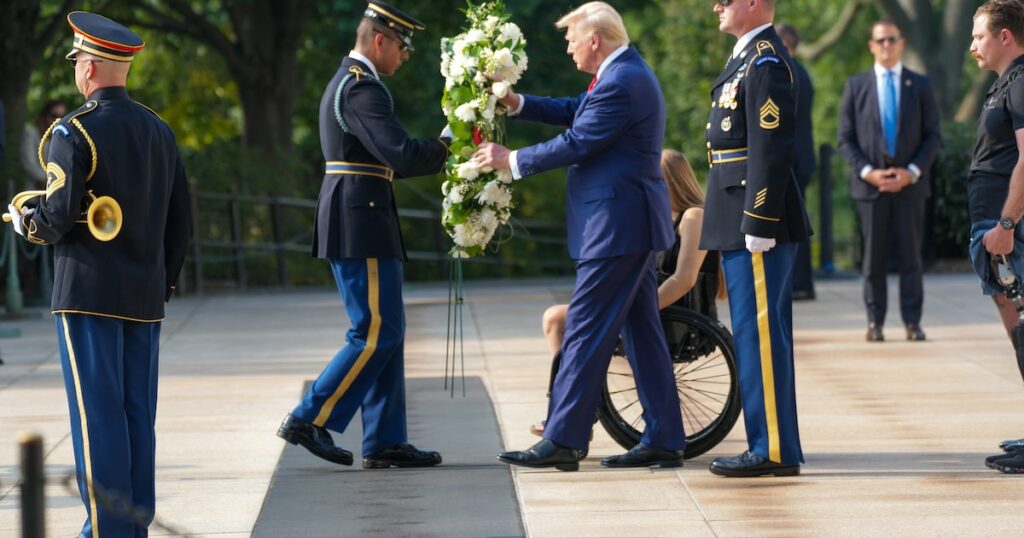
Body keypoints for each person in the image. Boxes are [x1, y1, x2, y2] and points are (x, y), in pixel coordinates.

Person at [475, 1, 685, 471]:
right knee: (642, 335)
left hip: (617, 228)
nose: (568, 48)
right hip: (626, 224)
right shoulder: (621, 74)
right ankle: (665, 438)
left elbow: (579, 140)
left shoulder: (624, 80)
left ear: (594, 40)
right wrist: (518, 104)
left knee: (585, 332)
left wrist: (511, 160)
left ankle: (565, 438)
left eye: (571, 39)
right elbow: (578, 112)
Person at [5, 11, 191, 535]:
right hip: (145, 296)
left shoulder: (73, 131)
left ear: (87, 69)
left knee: (97, 419)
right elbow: (181, 220)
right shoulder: (160, 130)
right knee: (137, 418)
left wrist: (27, 223)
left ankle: (108, 530)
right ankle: (132, 524)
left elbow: (59, 216)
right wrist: (164, 282)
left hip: (87, 293)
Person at [276, 0, 449, 470]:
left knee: (387, 330)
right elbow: (403, 155)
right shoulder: (361, 90)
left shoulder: (356, 85)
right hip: (360, 219)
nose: (405, 55)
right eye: (402, 46)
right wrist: (449, 145)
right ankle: (310, 417)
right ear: (380, 40)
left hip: (364, 215)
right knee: (374, 330)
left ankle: (386, 439)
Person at [530, 149, 717, 437]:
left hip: (672, 315)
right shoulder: (657, 216)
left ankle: (573, 410)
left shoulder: (694, 217)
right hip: (637, 304)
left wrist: (634, 314)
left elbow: (684, 279)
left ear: (671, 181)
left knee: (566, 323)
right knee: (556, 319)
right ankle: (571, 406)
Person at [700, 0, 810, 477]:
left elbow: (772, 146)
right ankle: (771, 443)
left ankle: (771, 450)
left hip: (754, 218)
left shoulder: (764, 59)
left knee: (760, 338)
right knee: (756, 336)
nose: (716, 6)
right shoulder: (746, 57)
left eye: (726, 0)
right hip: (737, 213)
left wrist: (760, 221)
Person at [837, 19, 941, 343]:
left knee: (912, 257)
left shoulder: (920, 85)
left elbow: (933, 136)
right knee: (873, 260)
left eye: (891, 40)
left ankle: (913, 322)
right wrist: (869, 172)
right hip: (871, 188)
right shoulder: (856, 86)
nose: (886, 45)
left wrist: (912, 171)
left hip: (910, 186)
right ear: (871, 45)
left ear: (901, 43)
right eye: (880, 40)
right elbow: (845, 139)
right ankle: (875, 322)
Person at [965, 0, 1024, 474]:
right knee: (1017, 325)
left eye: (979, 36)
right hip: (996, 228)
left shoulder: (1022, 81)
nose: (972, 46)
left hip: (1010, 228)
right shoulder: (1004, 84)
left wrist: (1006, 223)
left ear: (1006, 36)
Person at [775, 23, 816, 301]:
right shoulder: (798, 72)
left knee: (793, 226)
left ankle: (800, 282)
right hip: (799, 159)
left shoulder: (789, 72)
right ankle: (800, 282)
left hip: (794, 161)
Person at [22, 100, 68, 189]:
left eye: (62, 117)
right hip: (35, 193)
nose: (57, 120)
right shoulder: (31, 133)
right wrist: (46, 180)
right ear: (44, 116)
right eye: (53, 116)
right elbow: (29, 162)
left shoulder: (64, 137)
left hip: (57, 192)